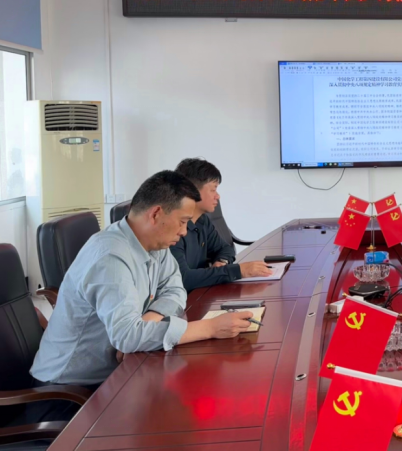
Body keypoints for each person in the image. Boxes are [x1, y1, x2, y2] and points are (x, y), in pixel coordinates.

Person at [30, 171, 255, 397]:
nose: (184, 231)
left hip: (118, 371)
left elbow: (175, 288)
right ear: (156, 214)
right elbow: (127, 337)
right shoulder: (110, 257)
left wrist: (148, 320)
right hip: (67, 390)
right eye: (182, 222)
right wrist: (210, 328)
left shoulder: (153, 242)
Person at [170, 158, 271, 291]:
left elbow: (225, 248)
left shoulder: (202, 221)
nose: (217, 196)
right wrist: (238, 271)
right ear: (192, 191)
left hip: (202, 292)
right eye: (213, 190)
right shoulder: (173, 229)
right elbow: (183, 279)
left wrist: (221, 262)